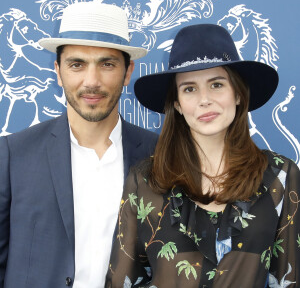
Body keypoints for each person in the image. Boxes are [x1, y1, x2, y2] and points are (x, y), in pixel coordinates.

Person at [105, 24, 300, 287]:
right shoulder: (144, 180)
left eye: (217, 84)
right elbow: (122, 280)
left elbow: (290, 279)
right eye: (189, 89)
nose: (204, 100)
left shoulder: (280, 176)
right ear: (177, 104)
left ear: (238, 94)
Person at [0, 1, 158, 288]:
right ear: (58, 71)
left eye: (107, 64)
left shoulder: (160, 155)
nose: (92, 81)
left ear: (127, 72)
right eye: (77, 64)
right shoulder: (12, 154)